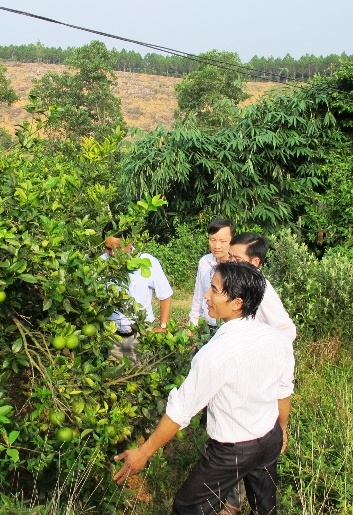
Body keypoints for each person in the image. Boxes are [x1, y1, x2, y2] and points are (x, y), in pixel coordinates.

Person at [114, 261, 295, 515]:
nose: (206, 296)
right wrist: (282, 430)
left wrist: (144, 452)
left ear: (237, 302)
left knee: (187, 507)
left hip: (232, 450)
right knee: (265, 507)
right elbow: (283, 392)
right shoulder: (277, 339)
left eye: (214, 290)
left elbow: (181, 411)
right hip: (269, 438)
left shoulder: (216, 354)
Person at [219, 233, 297, 514]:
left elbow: (287, 331)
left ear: (255, 262)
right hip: (239, 383)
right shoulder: (236, 284)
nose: (231, 262)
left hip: (256, 385)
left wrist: (262, 356)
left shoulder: (261, 290)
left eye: (236, 259)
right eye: (230, 257)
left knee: (251, 449)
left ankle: (243, 503)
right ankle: (232, 502)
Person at [102, 230, 173, 360]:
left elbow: (165, 294)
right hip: (111, 337)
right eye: (108, 248)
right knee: (112, 376)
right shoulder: (100, 263)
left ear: (130, 243)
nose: (112, 253)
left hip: (141, 334)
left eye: (116, 249)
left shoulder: (146, 261)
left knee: (142, 375)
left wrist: (163, 326)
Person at [189, 218, 235, 334]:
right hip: (207, 325)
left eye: (223, 241)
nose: (217, 246)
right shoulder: (204, 262)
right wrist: (192, 326)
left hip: (229, 328)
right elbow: (198, 296)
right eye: (212, 240)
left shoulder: (238, 266)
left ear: (232, 241)